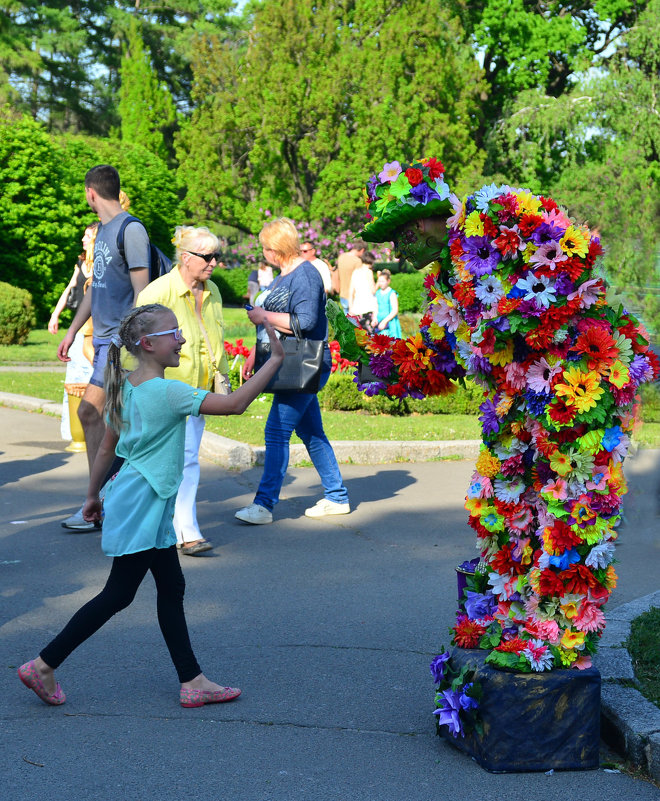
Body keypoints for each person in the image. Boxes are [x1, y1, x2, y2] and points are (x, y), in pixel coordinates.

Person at [332, 155, 659, 675]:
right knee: (501, 504)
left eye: (402, 233)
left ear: (430, 217)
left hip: (577, 386)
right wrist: (371, 352)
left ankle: (563, 634)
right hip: (514, 398)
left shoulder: (504, 216)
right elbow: (438, 357)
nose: (397, 250)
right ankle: (510, 617)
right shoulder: (443, 279)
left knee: (571, 508)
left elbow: (568, 275)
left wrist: (504, 315)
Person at [18, 303, 284, 709]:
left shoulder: (127, 385)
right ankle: (43, 664)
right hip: (143, 500)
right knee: (119, 593)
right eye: (173, 333)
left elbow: (108, 446)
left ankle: (192, 680)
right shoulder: (167, 392)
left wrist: (91, 496)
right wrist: (275, 360)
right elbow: (234, 404)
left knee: (171, 585)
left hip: (142, 497)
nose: (181, 339)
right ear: (148, 344)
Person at [235, 217, 350, 524]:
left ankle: (264, 505)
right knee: (311, 432)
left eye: (265, 247)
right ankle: (337, 497)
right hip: (290, 362)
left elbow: (305, 323)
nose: (263, 253)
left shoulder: (305, 274)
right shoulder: (287, 273)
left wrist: (263, 316)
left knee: (276, 431)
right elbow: (276, 323)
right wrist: (253, 355)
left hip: (302, 364)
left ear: (277, 249)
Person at [57, 166, 151, 532]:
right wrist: (72, 330)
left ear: (90, 193)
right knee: (105, 420)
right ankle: (105, 500)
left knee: (92, 413)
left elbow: (143, 295)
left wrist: (128, 343)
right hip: (102, 343)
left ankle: (98, 502)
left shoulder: (132, 230)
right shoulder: (100, 233)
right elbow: (95, 290)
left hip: (119, 345)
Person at [137, 226, 230, 557]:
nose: (214, 263)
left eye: (216, 256)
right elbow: (135, 343)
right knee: (173, 460)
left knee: (185, 459)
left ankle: (168, 525)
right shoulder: (157, 293)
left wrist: (225, 375)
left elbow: (214, 339)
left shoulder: (214, 291)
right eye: (207, 257)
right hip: (164, 391)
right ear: (186, 257)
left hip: (199, 390)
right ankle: (184, 530)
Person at [49, 223, 98, 440]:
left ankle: (92, 430)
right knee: (74, 377)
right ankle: (73, 432)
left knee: (91, 377)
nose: (83, 239)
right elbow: (70, 288)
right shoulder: (81, 262)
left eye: (87, 236)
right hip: (78, 329)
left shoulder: (103, 265)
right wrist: (55, 314)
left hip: (95, 330)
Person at [348, 249, 377, 333]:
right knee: (369, 338)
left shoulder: (355, 272)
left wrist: (351, 308)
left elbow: (351, 292)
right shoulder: (369, 272)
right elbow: (373, 290)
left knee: (359, 337)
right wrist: (378, 282)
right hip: (368, 307)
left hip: (356, 308)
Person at [333, 240, 367, 312]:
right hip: (353, 297)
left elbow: (336, 273)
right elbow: (360, 281)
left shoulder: (341, 257)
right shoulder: (357, 261)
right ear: (362, 250)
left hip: (343, 295)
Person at [374, 268, 402, 338]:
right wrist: (374, 318)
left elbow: (395, 310)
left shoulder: (392, 293)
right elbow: (376, 307)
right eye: (379, 281)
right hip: (379, 322)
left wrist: (385, 321)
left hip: (390, 322)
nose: (380, 283)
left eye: (383, 281)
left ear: (388, 281)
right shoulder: (378, 293)